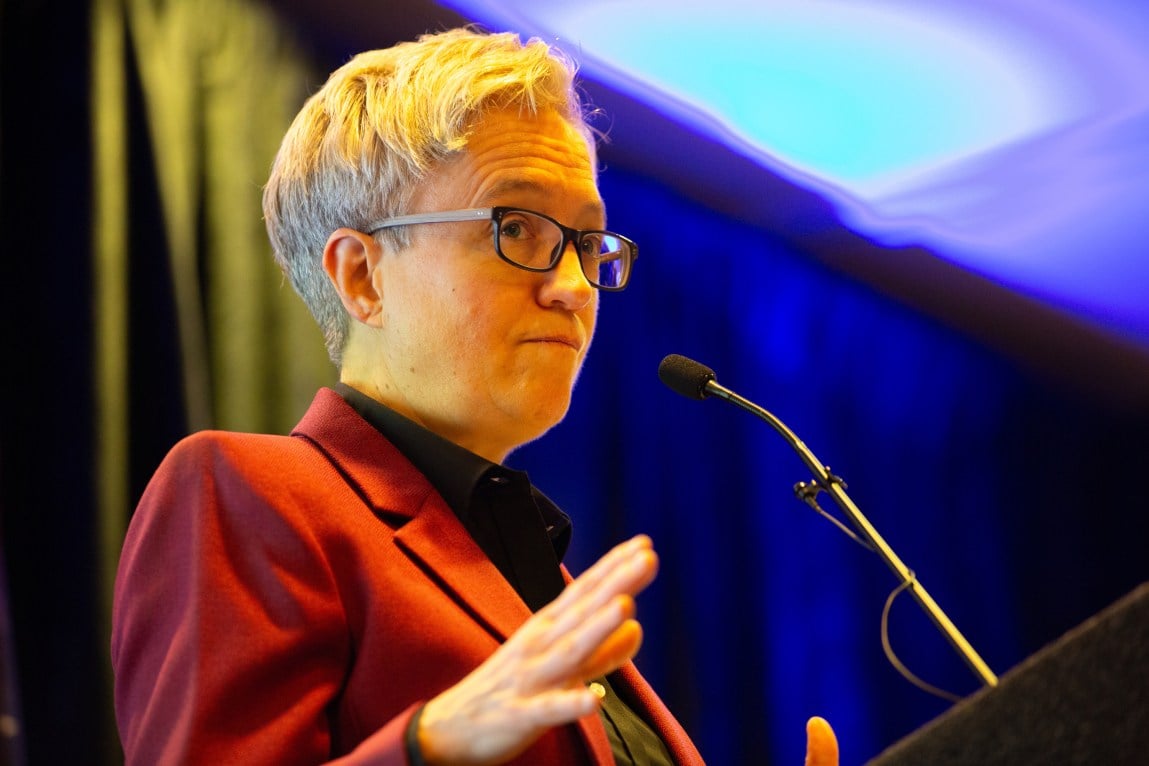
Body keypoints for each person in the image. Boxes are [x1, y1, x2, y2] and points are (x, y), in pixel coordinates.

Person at [111, 27, 839, 765]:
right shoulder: (247, 497)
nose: (573, 287)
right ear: (362, 275)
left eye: (589, 243)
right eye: (516, 226)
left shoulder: (533, 573)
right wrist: (431, 745)